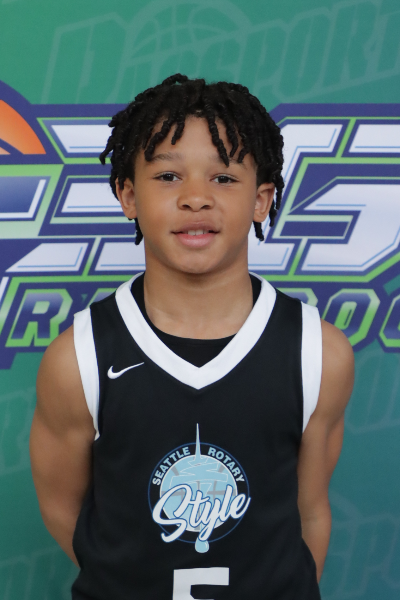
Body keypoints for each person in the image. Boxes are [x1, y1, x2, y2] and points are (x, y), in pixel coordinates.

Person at [30, 74, 354, 599]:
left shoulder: (318, 353)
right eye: (168, 176)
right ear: (128, 195)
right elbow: (63, 509)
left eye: (224, 178)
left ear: (262, 199)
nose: (196, 198)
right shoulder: (79, 358)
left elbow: (310, 511)